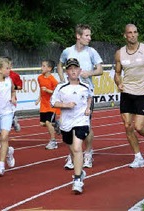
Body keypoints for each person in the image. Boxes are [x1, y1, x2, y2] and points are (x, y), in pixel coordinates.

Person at [114, 24, 144, 168]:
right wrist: (119, 83)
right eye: (130, 33)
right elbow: (117, 73)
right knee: (128, 126)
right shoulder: (119, 53)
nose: (133, 35)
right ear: (125, 35)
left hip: (142, 92)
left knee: (139, 126)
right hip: (127, 92)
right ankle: (138, 157)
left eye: (135, 32)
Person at [58, 24, 104, 169]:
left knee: (86, 125)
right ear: (78, 36)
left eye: (90, 35)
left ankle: (88, 153)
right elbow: (60, 65)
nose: (89, 38)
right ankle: (73, 155)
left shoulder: (91, 52)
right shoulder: (67, 51)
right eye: (87, 35)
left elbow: (100, 69)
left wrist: (88, 73)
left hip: (86, 94)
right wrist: (62, 79)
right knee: (69, 125)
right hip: (70, 93)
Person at [51, 58, 93, 194]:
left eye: (76, 68)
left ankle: (77, 180)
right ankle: (80, 171)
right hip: (66, 123)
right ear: (67, 72)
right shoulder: (61, 87)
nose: (73, 71)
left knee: (77, 148)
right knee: (72, 150)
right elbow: (53, 103)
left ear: (80, 71)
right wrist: (65, 105)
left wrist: (88, 109)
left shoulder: (86, 86)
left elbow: (89, 97)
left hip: (81, 121)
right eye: (70, 69)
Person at [37, 60, 61, 150]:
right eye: (41, 66)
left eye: (43, 66)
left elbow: (57, 93)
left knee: (48, 122)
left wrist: (47, 90)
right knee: (42, 123)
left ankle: (53, 141)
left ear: (49, 68)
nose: (41, 68)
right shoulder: (39, 78)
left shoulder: (53, 80)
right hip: (43, 105)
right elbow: (40, 89)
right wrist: (39, 98)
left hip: (52, 105)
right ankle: (56, 124)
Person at [4, 56, 23, 132]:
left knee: (8, 115)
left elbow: (20, 87)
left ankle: (13, 119)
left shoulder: (14, 75)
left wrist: (12, 87)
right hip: (0, 100)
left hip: (11, 99)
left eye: (9, 66)